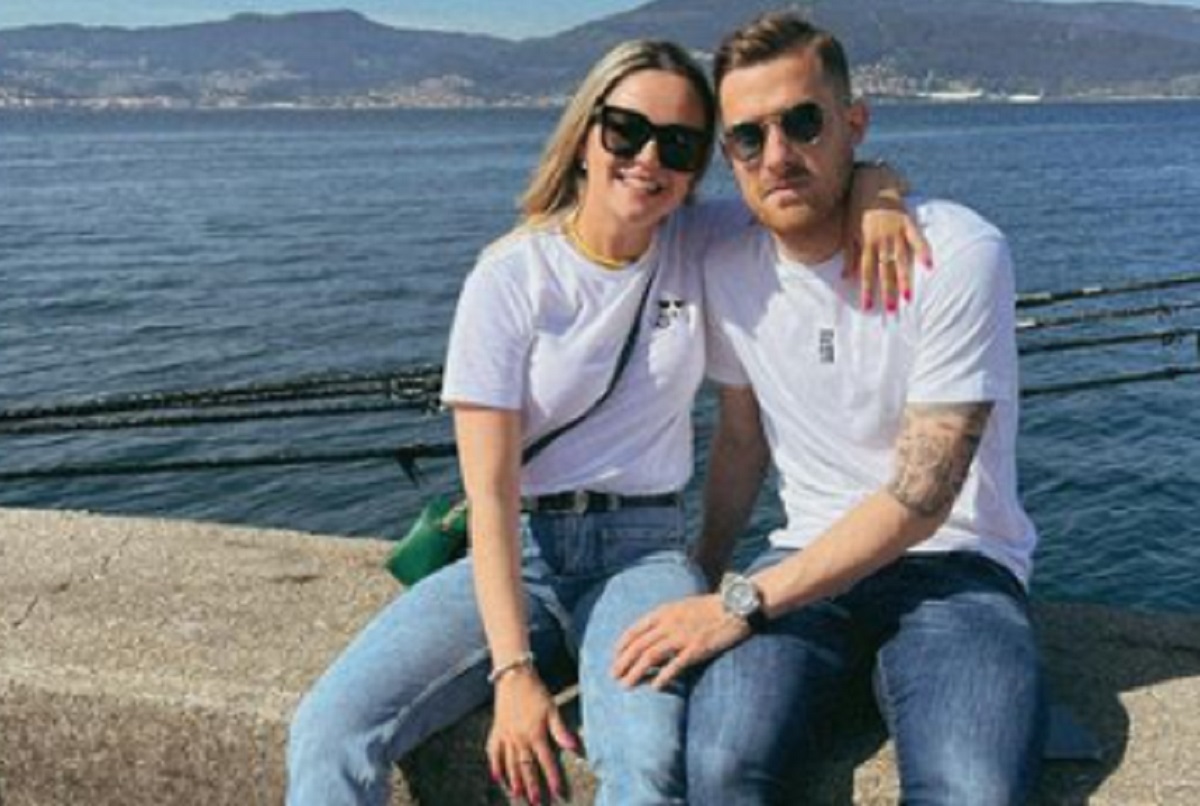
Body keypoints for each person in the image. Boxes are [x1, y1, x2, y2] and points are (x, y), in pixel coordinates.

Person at [287, 38, 921, 806]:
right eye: (627, 131)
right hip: (523, 551)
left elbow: (802, 187)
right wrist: (513, 673)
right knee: (330, 727)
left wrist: (880, 193)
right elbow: (490, 495)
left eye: (679, 145)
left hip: (642, 557)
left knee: (645, 761)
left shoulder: (698, 241)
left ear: (695, 169)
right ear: (586, 133)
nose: (648, 159)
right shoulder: (512, 278)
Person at [614, 12, 1046, 806]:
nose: (777, 155)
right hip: (801, 561)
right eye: (749, 137)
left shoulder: (957, 251)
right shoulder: (723, 257)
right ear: (729, 157)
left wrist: (741, 603)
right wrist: (705, 573)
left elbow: (922, 498)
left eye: (803, 122)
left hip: (956, 567)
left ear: (854, 123)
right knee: (720, 767)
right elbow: (741, 438)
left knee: (973, 791)